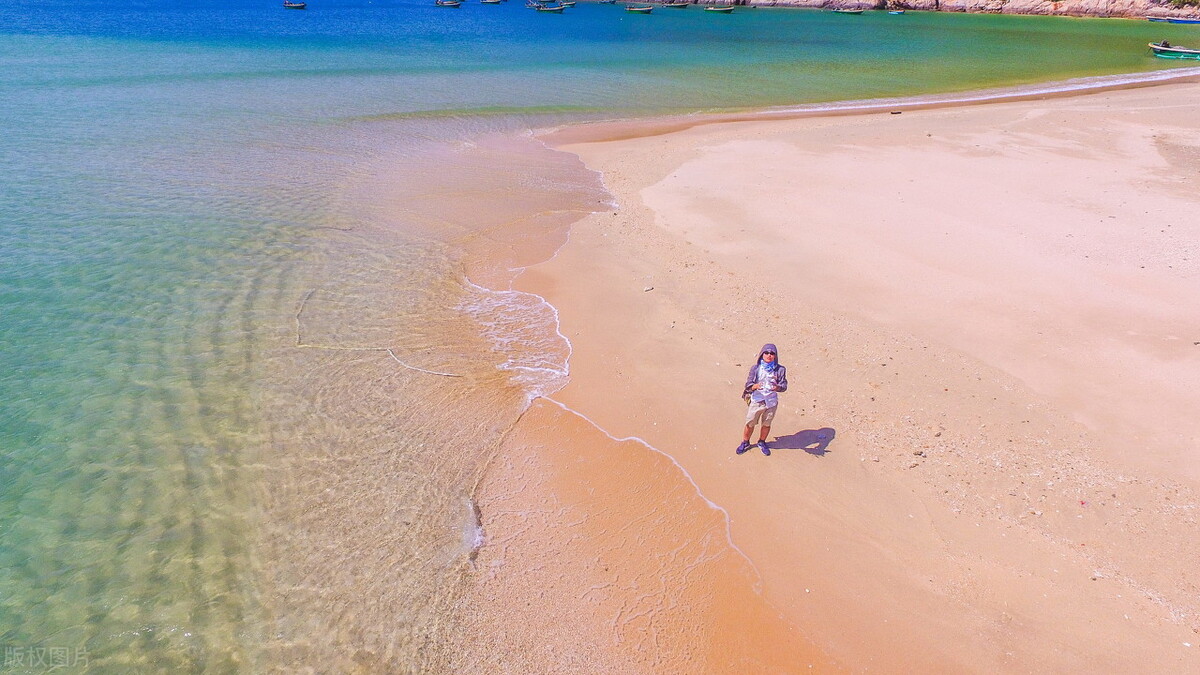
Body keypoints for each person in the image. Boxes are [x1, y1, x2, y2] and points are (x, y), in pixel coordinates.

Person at [737, 343, 787, 456]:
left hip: (771, 402)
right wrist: (755, 386)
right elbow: (748, 384)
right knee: (750, 423)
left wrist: (777, 387)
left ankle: (762, 442)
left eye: (772, 353)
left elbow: (784, 386)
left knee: (766, 424)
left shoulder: (780, 370)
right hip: (757, 400)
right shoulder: (755, 369)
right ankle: (745, 442)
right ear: (762, 354)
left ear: (775, 356)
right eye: (767, 352)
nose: (769, 355)